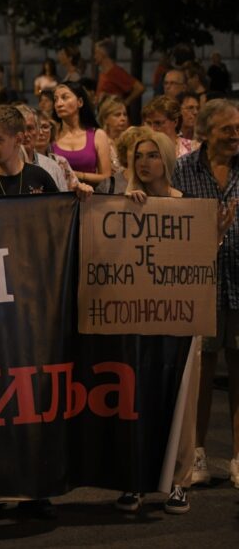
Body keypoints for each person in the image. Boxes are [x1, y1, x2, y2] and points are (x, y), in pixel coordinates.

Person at [115, 129, 228, 515]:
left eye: (151, 155)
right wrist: (127, 210)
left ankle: (178, 484)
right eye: (137, 157)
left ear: (165, 158)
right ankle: (135, 481)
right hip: (137, 319)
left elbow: (197, 262)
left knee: (181, 400)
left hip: (180, 319)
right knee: (138, 397)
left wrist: (216, 236)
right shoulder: (126, 204)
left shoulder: (188, 206)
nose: (144, 163)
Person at [172, 99, 239, 492]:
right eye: (227, 129)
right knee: (202, 371)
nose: (235, 135)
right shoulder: (184, 169)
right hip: (202, 285)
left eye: (238, 128)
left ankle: (236, 457)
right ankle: (197, 452)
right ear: (207, 132)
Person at [51, 81, 112, 189]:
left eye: (65, 98)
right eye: (55, 99)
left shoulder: (97, 135)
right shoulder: (52, 135)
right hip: (59, 199)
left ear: (80, 102)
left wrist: (76, 175)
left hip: (91, 199)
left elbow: (106, 177)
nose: (59, 104)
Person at [93, 39, 144, 120]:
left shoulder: (116, 72)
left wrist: (125, 103)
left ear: (103, 54)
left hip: (114, 118)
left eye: (96, 53)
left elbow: (139, 88)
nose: (94, 56)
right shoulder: (103, 72)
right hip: (103, 116)